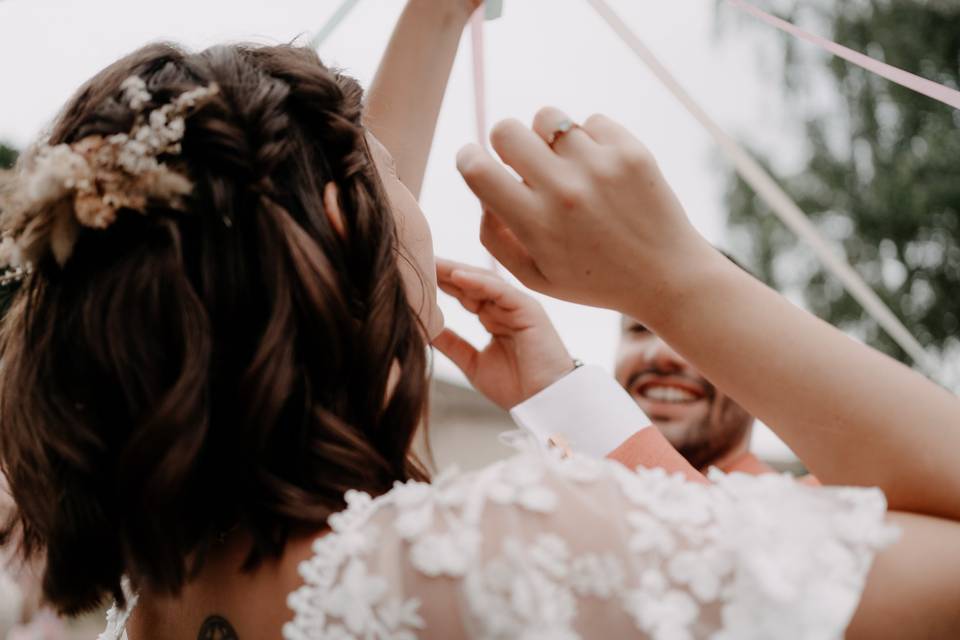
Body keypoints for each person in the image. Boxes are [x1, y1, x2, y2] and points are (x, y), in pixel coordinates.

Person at [0, 4, 955, 640]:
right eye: (385, 182)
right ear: (344, 225)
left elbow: (348, 245)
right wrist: (677, 280)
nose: (410, 192)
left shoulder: (163, 593)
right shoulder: (474, 547)